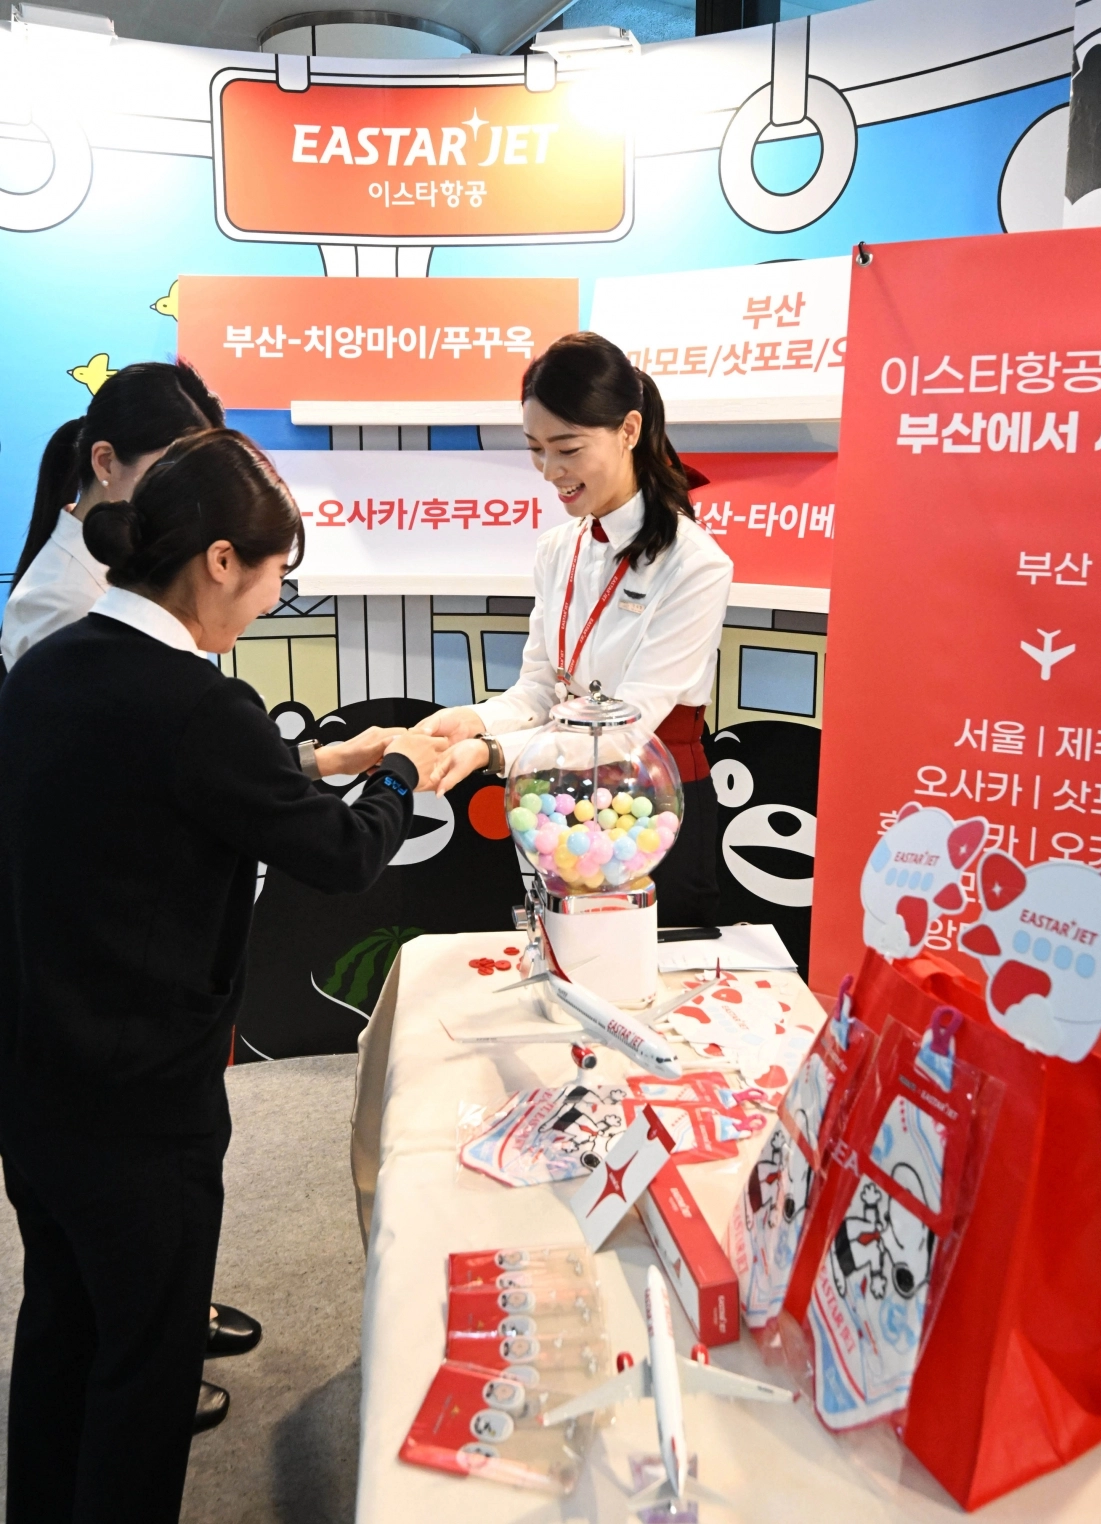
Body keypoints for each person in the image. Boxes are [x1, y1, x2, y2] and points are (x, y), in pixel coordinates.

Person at [0, 429, 445, 1524]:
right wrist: (403, 770)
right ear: (217, 561)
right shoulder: (200, 707)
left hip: (34, 1076)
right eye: (274, 575)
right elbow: (338, 858)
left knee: (59, 1324)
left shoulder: (52, 664)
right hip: (144, 1098)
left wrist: (312, 763)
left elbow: (152, 786)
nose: (271, 599)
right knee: (146, 1365)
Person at [419, 332, 732, 926]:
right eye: (536, 449)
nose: (549, 472)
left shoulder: (695, 563)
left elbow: (629, 725)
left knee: (654, 990)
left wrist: (491, 753)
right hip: (566, 803)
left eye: (567, 449)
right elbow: (541, 688)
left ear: (630, 430)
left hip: (657, 803)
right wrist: (475, 720)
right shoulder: (557, 548)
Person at [2, 361, 224, 669]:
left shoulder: (143, 557)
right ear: (105, 462)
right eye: (168, 473)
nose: (185, 496)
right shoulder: (60, 603)